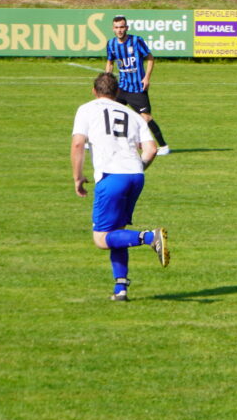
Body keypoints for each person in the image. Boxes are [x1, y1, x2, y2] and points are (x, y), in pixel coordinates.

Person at [70, 72, 169, 301]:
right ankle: (120, 288)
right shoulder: (132, 114)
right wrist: (136, 169)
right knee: (117, 232)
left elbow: (77, 144)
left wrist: (78, 177)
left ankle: (149, 237)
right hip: (136, 175)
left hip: (111, 177)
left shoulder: (86, 109)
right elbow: (151, 149)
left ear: (94, 91)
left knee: (101, 239)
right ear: (116, 93)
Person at [105, 15, 170, 156]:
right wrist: (107, 80)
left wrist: (146, 78)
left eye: (122, 27)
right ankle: (98, 142)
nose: (119, 30)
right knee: (108, 111)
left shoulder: (136, 41)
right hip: (121, 87)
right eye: (117, 27)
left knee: (146, 117)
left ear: (126, 28)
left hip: (137, 87)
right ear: (113, 29)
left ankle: (164, 146)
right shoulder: (111, 44)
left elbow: (150, 58)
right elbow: (110, 63)